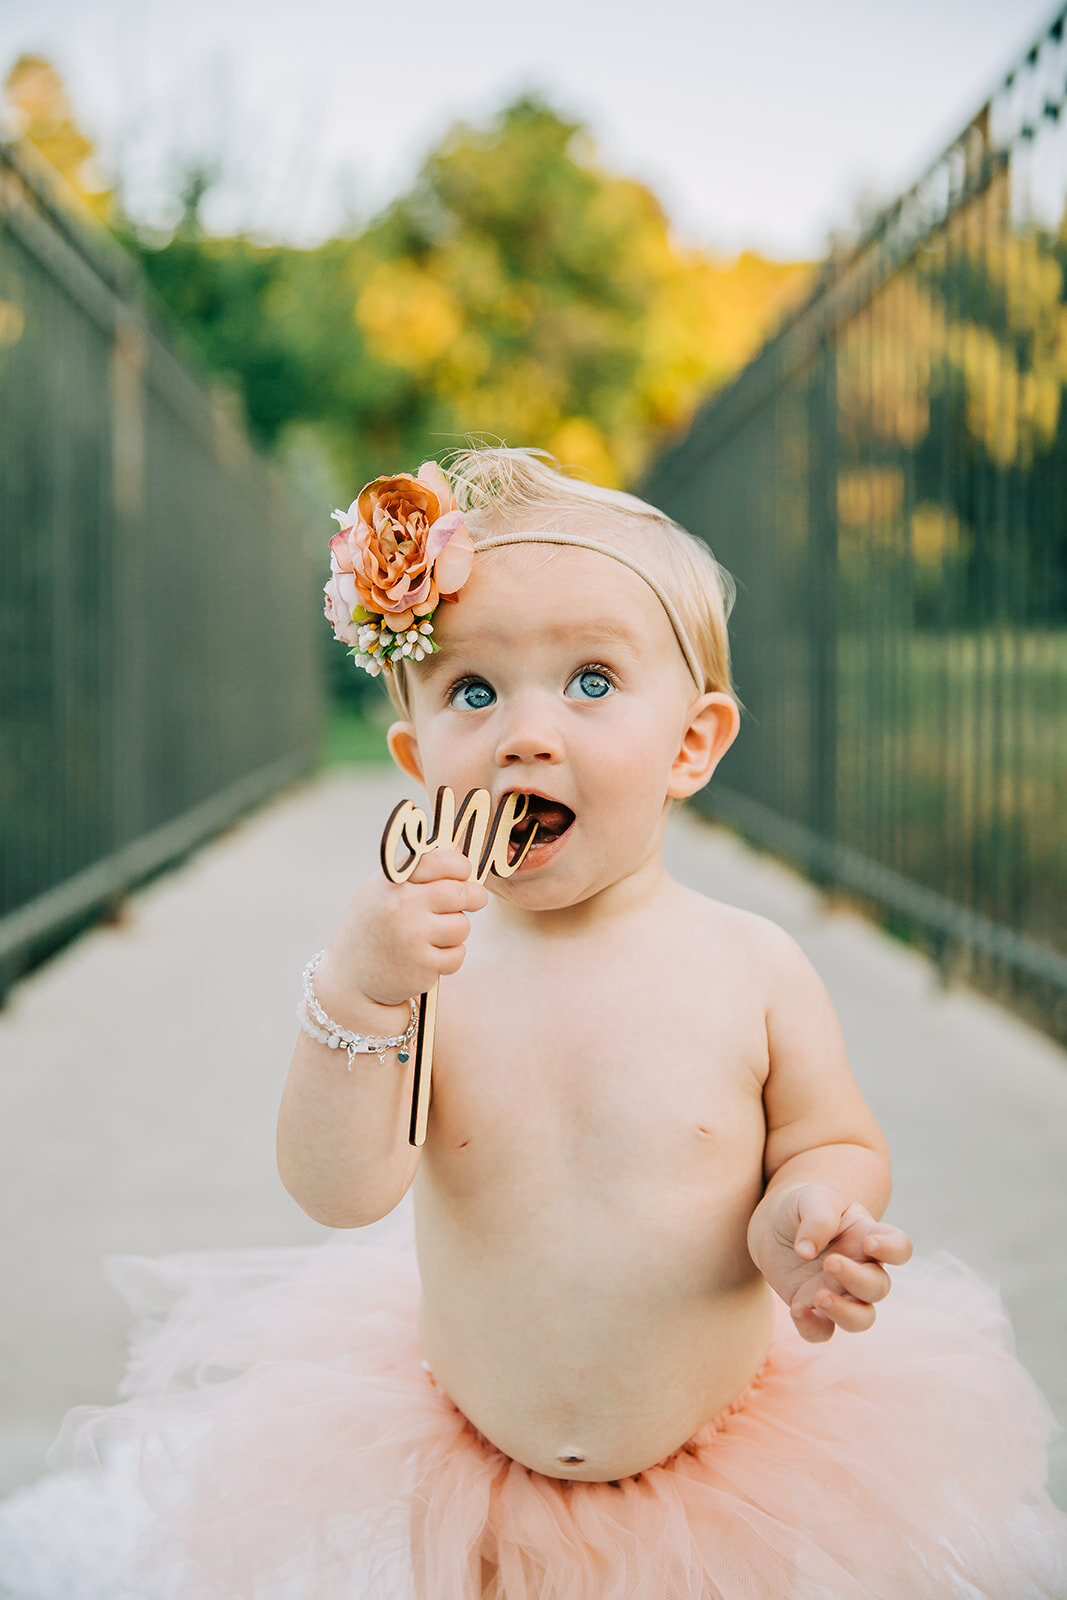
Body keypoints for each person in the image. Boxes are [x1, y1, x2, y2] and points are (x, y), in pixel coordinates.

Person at [1, 448, 1065, 1600]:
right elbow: (338, 1187)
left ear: (691, 745)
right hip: (474, 1470)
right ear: (415, 761)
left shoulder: (749, 966)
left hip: (724, 1480)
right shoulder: (429, 971)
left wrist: (803, 1211)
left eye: (591, 682)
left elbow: (831, 1136)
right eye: (472, 691)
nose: (525, 732)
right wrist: (358, 993)